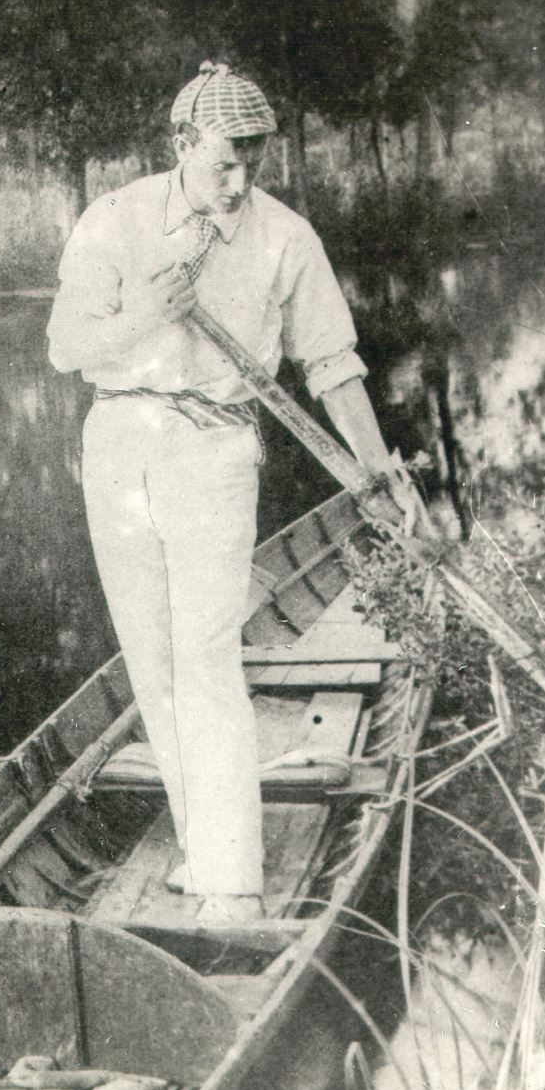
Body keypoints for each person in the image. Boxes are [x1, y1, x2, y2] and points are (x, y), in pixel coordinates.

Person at [45, 62, 402, 923]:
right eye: (223, 163)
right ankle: (200, 853)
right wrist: (147, 315)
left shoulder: (286, 239)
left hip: (215, 448)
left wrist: (375, 468)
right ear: (180, 146)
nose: (240, 182)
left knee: (205, 656)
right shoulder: (117, 219)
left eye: (254, 161)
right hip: (121, 442)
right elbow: (65, 348)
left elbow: (332, 363)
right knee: (151, 659)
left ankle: (234, 883)